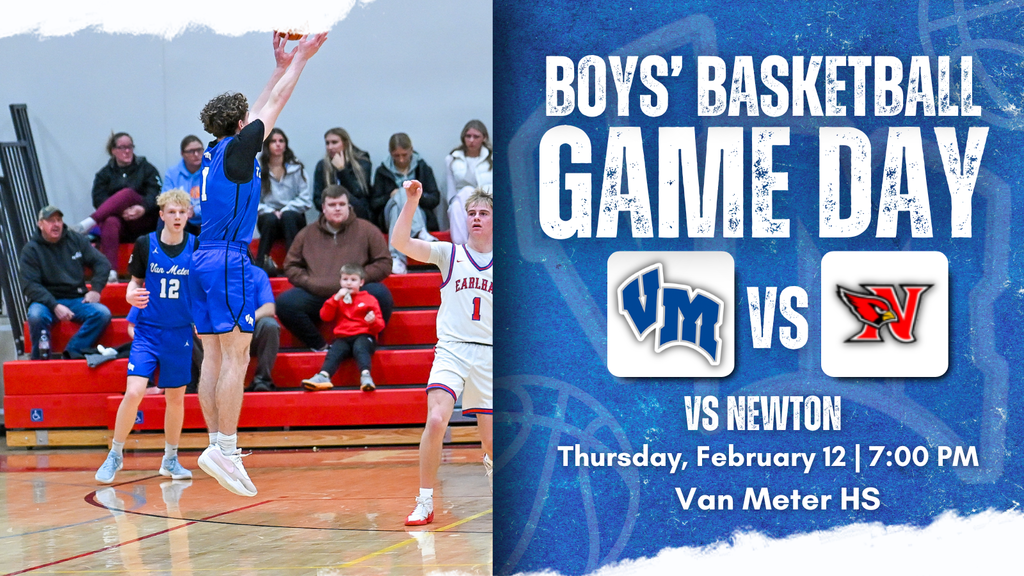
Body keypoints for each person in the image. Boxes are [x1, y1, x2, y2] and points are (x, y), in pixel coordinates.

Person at [190, 31, 326, 498]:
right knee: (236, 355)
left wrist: (278, 62)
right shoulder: (240, 149)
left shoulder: (214, 152)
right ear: (243, 124)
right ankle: (225, 447)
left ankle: (216, 445)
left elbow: (265, 98)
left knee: (213, 354)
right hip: (228, 259)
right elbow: (279, 101)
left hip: (202, 259)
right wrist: (302, 59)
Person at [392, 182, 493, 526]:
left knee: (493, 443)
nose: (476, 218)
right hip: (452, 349)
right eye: (471, 214)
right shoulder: (450, 254)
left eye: (483, 213)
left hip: (491, 355)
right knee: (436, 420)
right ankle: (424, 500)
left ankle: (498, 478)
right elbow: (401, 244)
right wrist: (411, 202)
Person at [94, 190, 196, 484]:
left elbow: (200, 289)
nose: (178, 217)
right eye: (172, 212)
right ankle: (115, 454)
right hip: (148, 332)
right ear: (161, 215)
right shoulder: (145, 244)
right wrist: (129, 295)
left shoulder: (195, 245)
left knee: (176, 399)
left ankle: (171, 459)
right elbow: (134, 284)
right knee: (134, 392)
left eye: (182, 212)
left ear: (188, 215)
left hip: (179, 333)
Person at [278, 185, 394, 351]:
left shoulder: (367, 229)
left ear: (349, 206)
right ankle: (320, 345)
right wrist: (309, 282)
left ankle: (367, 340)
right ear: (324, 208)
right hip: (319, 295)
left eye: (341, 204)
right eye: (332, 205)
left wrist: (357, 280)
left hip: (356, 296)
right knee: (285, 303)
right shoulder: (307, 233)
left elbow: (384, 262)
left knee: (381, 294)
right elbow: (290, 265)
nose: (337, 208)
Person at [20, 206, 112, 360]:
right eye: (50, 221)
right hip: (45, 302)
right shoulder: (31, 250)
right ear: (40, 224)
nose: (56, 224)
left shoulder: (76, 240)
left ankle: (71, 353)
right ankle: (40, 361)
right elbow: (30, 285)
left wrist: (96, 289)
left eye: (59, 220)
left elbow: (102, 263)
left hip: (76, 298)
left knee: (102, 313)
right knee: (36, 316)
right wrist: (54, 305)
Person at [78, 132, 163, 283]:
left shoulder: (146, 168)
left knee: (128, 193)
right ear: (113, 150)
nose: (127, 151)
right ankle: (111, 272)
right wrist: (119, 209)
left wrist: (141, 208)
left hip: (143, 221)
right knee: (110, 221)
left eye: (130, 147)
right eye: (122, 147)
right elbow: (98, 199)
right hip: (120, 223)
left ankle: (88, 223)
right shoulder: (104, 174)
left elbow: (156, 194)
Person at [191, 264, 281, 392]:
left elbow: (269, 308)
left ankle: (262, 380)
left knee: (270, 325)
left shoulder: (257, 274)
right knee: (194, 327)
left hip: (248, 333)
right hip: (219, 333)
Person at [301, 263, 384, 392]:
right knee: (334, 351)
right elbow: (325, 316)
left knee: (361, 347)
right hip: (343, 336)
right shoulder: (337, 299)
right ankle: (323, 376)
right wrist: (335, 299)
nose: (349, 283)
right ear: (340, 281)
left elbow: (379, 326)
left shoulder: (370, 299)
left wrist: (372, 321)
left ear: (361, 282)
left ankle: (366, 376)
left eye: (353, 280)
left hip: (364, 335)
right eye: (345, 279)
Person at [370, 133, 442, 274]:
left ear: (411, 150)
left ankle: (397, 258)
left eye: (405, 154)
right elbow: (374, 203)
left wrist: (415, 196)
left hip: (419, 213)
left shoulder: (423, 168)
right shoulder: (382, 171)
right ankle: (420, 231)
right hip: (389, 215)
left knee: (405, 195)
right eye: (397, 156)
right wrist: (391, 195)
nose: (401, 159)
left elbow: (434, 198)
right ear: (390, 153)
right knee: (403, 192)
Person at [256, 127, 311, 268]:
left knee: (288, 216)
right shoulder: (258, 170)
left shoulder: (297, 168)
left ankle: (295, 264)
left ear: (286, 144)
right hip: (269, 218)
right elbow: (253, 201)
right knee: (270, 219)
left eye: (281, 141)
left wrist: (286, 209)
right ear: (267, 145)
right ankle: (261, 264)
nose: (278, 144)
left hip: (293, 218)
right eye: (273, 141)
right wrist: (271, 211)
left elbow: (305, 199)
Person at [445, 120, 493, 245]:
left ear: (484, 138)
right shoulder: (452, 159)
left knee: (471, 192)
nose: (471, 140)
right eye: (468, 136)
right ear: (463, 137)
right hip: (461, 205)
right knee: (458, 201)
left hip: (489, 201)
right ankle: (463, 246)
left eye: (476, 137)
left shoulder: (494, 157)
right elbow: (451, 190)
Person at [311, 127, 373, 220]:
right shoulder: (322, 165)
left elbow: (359, 193)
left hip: (357, 210)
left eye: (334, 142)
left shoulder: (362, 162)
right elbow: (317, 198)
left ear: (345, 143)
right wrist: (331, 208)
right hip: (330, 213)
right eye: (327, 143)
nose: (330, 147)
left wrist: (342, 170)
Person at [162, 135, 205, 235]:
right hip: (182, 218)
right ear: (182, 154)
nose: (196, 154)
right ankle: (165, 249)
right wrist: (182, 210)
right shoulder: (172, 173)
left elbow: (216, 201)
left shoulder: (212, 171)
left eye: (199, 150)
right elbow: (165, 200)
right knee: (165, 219)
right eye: (191, 151)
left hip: (207, 219)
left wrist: (195, 211)